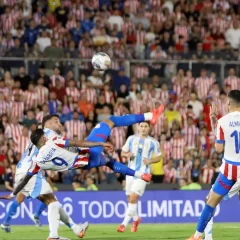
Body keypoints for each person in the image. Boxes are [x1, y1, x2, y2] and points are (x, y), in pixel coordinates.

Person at [1, 116, 88, 240]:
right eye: (56, 122)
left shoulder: (35, 137)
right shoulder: (50, 134)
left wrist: (13, 193)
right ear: (47, 124)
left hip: (22, 171)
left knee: (53, 201)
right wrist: (88, 149)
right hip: (31, 172)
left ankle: (76, 228)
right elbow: (68, 146)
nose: (59, 124)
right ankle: (53, 236)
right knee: (53, 203)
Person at [186, 90, 240, 240]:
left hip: (229, 172)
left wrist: (213, 121)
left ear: (229, 102)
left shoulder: (222, 121)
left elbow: (218, 149)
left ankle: (197, 235)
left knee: (211, 201)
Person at [117, 122, 161, 233]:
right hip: (130, 172)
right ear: (138, 127)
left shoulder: (153, 142)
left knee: (133, 198)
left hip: (143, 174)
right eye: (141, 126)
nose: (143, 128)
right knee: (129, 199)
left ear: (149, 128)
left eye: (146, 126)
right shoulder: (131, 139)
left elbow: (159, 157)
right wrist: (127, 155)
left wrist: (150, 161)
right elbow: (122, 152)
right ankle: (136, 219)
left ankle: (123, 224)